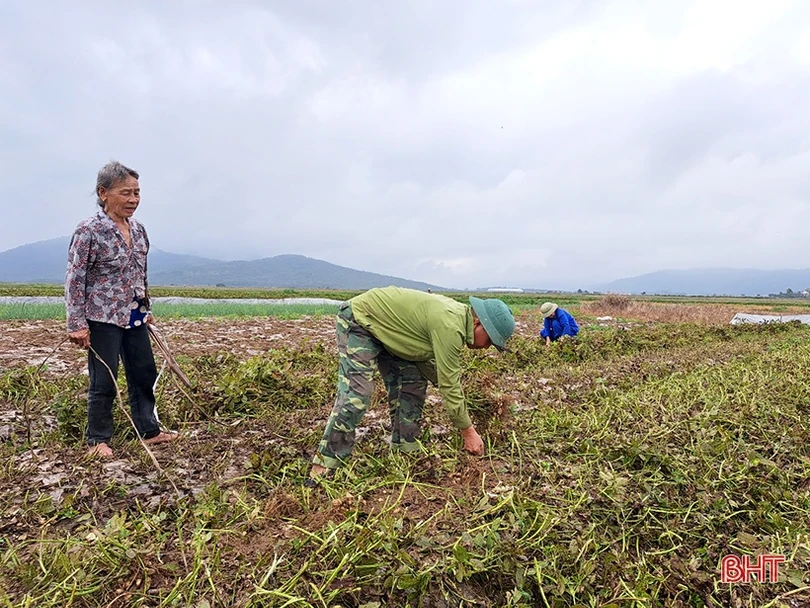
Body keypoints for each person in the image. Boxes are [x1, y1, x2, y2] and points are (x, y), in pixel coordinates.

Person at [309, 286, 515, 480]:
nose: (487, 347)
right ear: (479, 323)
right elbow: (449, 383)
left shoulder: (457, 320)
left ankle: (405, 452)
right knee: (357, 395)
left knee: (413, 383)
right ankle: (325, 465)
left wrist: (459, 397)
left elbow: (428, 364)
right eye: (489, 340)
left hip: (395, 336)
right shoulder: (450, 324)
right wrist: (468, 431)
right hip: (361, 321)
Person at [65, 161, 177, 458]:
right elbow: (75, 278)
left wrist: (146, 307)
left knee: (144, 371)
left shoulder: (139, 230)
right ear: (103, 193)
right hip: (101, 316)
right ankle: (97, 439)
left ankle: (149, 430)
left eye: (137, 193)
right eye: (125, 193)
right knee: (104, 378)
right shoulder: (89, 230)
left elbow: (141, 272)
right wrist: (76, 323)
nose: (133, 200)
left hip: (134, 314)